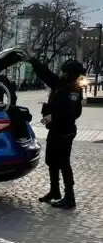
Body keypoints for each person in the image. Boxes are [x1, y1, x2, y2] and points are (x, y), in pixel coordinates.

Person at [28, 57, 84, 209]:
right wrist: (33, 60)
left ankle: (69, 197)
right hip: (55, 129)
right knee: (51, 161)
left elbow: (73, 113)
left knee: (64, 163)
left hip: (65, 132)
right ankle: (54, 191)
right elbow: (45, 74)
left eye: (65, 72)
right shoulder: (61, 84)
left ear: (71, 74)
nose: (62, 73)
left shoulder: (74, 90)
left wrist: (52, 116)